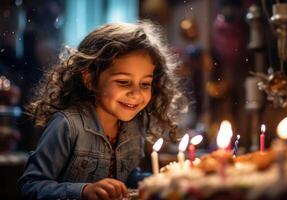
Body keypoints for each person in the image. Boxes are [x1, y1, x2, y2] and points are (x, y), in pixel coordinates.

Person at [18, 21, 187, 200]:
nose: (136, 94)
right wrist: (84, 191)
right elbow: (30, 186)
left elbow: (126, 179)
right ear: (90, 79)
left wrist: (159, 180)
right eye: (123, 82)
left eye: (145, 84)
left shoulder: (133, 127)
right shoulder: (67, 125)